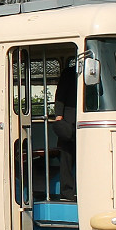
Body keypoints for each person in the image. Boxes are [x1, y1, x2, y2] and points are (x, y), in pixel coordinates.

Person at [49, 59, 77, 199]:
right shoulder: (69, 73)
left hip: (84, 121)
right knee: (67, 158)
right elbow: (60, 96)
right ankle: (67, 191)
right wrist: (59, 116)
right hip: (68, 122)